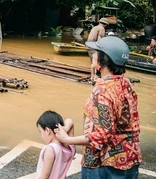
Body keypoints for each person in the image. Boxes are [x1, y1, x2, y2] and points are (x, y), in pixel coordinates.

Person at [55, 36, 142, 178]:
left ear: (104, 60)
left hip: (103, 164)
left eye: (96, 53)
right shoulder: (126, 83)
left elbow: (102, 135)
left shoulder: (102, 90)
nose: (93, 55)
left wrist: (67, 139)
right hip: (130, 158)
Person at [35, 111, 76, 179]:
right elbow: (70, 121)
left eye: (40, 131)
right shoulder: (68, 147)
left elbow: (45, 176)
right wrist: (65, 129)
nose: (41, 135)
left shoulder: (50, 149)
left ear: (47, 130)